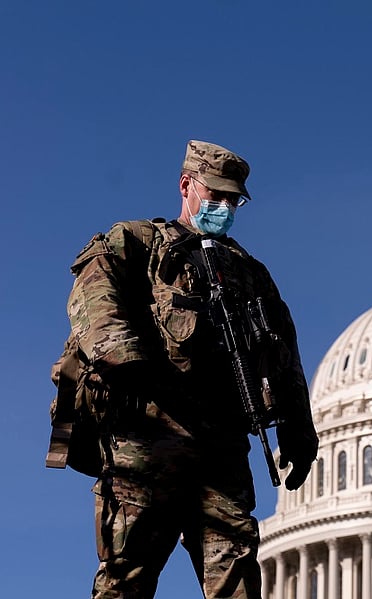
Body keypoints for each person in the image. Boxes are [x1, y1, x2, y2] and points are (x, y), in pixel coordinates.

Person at [64, 140, 319, 598]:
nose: (223, 207)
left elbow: (284, 350)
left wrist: (299, 428)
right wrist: (130, 363)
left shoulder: (251, 274)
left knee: (238, 581)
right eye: (215, 195)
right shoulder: (139, 242)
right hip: (149, 440)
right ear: (186, 186)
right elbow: (92, 296)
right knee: (127, 578)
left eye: (232, 200)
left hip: (222, 450)